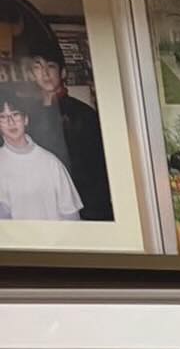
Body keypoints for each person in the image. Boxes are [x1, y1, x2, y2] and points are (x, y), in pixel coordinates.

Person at [23, 46, 111, 220]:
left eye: (51, 66)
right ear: (32, 74)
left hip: (83, 203)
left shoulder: (83, 114)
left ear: (62, 73)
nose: (45, 73)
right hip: (42, 203)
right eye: (38, 67)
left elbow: (98, 168)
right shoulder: (26, 116)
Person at [0, 86, 81, 223]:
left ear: (26, 120)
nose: (10, 122)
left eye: (15, 114)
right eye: (3, 117)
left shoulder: (51, 162)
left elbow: (71, 215)